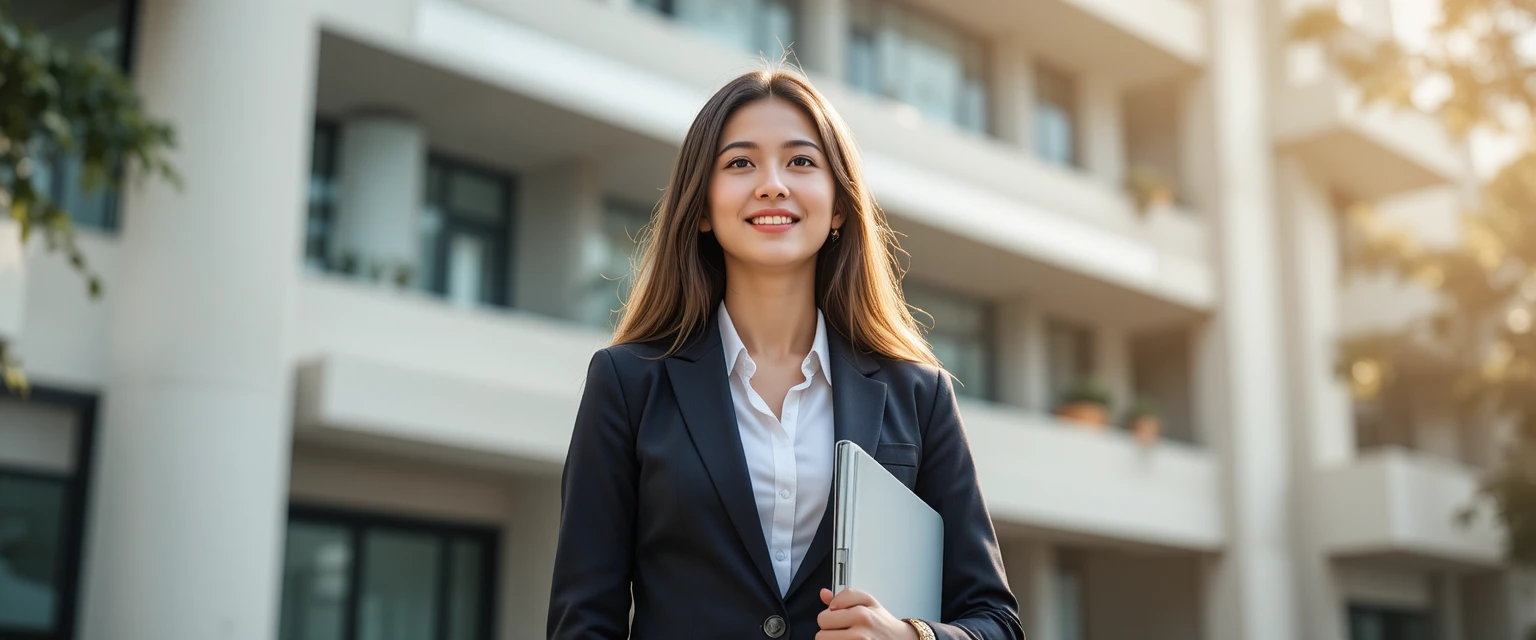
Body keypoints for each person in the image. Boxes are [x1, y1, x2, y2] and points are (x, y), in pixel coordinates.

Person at [547, 66, 1022, 640]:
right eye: (740, 163)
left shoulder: (919, 396)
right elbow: (583, 621)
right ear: (700, 207)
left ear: (840, 206)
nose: (772, 184)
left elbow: (996, 621)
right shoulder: (627, 384)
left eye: (801, 161)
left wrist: (910, 637)